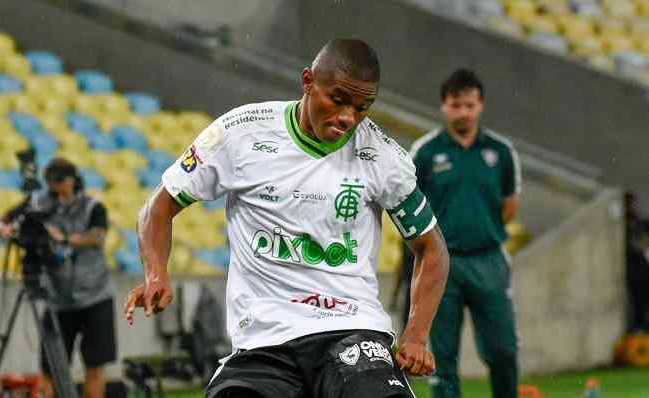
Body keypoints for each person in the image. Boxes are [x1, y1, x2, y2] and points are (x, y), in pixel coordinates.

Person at [125, 38, 450, 398]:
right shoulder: (241, 134)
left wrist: (417, 334)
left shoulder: (385, 159)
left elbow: (432, 248)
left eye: (362, 108)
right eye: (339, 100)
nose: (348, 117)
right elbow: (159, 206)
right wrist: (157, 271)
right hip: (264, 343)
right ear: (308, 81)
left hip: (352, 331)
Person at [410, 68, 521, 398]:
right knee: (442, 357)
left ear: (481, 105)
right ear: (444, 105)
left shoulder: (501, 152)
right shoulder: (425, 153)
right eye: (456, 105)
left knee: (503, 350)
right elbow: (410, 210)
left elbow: (509, 206)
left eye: (469, 105)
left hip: (489, 261)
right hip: (441, 265)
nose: (463, 112)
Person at [0, 157, 116, 398]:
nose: (55, 186)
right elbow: (6, 220)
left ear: (73, 179)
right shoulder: (40, 204)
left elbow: (97, 237)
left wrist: (62, 237)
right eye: (50, 181)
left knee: (94, 365)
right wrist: (7, 229)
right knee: (48, 367)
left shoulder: (92, 206)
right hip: (58, 298)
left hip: (95, 296)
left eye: (60, 180)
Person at [624, 192, 649, 332]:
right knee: (640, 307)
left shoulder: (641, 223)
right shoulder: (626, 227)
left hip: (641, 275)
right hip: (637, 278)